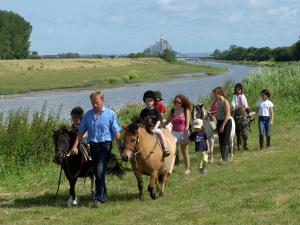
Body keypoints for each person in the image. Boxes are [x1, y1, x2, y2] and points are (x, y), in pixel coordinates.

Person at [70, 91, 122, 208]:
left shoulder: (110, 114)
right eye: (93, 103)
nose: (95, 105)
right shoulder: (88, 116)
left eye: (97, 102)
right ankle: (104, 195)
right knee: (100, 172)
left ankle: (98, 198)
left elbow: (117, 133)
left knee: (99, 169)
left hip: (105, 145)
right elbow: (80, 133)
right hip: (93, 146)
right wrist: (74, 147)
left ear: (102, 101)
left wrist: (120, 147)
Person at [164, 94, 192, 175]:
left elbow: (187, 124)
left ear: (182, 103)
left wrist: (185, 134)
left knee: (184, 152)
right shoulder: (172, 111)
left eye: (178, 102)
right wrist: (158, 127)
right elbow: (167, 122)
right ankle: (170, 170)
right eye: (175, 102)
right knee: (173, 152)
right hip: (174, 133)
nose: (176, 104)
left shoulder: (185, 110)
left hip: (183, 132)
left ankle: (187, 169)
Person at [140, 90, 170, 156]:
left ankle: (165, 148)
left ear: (153, 102)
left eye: (150, 100)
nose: (149, 102)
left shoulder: (156, 111)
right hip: (146, 128)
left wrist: (155, 128)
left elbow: (159, 121)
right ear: (145, 101)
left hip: (155, 127)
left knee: (159, 132)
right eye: (147, 100)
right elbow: (141, 121)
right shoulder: (143, 112)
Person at [212, 87, 232, 165]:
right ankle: (223, 158)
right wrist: (211, 113)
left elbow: (227, 114)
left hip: (226, 122)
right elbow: (219, 111)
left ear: (219, 94)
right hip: (219, 122)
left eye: (214, 94)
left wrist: (223, 126)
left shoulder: (225, 101)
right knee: (221, 142)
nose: (214, 96)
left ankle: (225, 159)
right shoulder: (219, 102)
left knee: (225, 141)